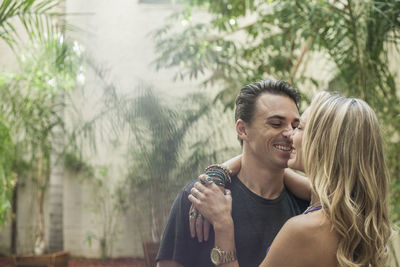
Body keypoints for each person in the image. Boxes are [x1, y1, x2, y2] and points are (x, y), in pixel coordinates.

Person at [189, 91, 392, 266]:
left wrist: (223, 226)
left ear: (322, 144)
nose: (290, 135)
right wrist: (222, 170)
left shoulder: (303, 231)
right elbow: (303, 184)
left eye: (299, 127)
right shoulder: (360, 218)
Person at [156, 80, 309, 267]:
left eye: (295, 126)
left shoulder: (308, 206)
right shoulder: (200, 198)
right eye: (276, 124)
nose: (289, 134)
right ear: (243, 129)